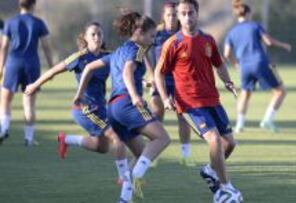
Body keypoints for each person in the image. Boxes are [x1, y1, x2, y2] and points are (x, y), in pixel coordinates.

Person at [73, 12, 171, 202]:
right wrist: (135, 96)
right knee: (162, 138)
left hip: (112, 109)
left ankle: (124, 198)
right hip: (127, 103)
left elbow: (89, 68)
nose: (152, 41)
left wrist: (78, 95)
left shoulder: (117, 51)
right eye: (151, 36)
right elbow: (127, 71)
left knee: (141, 152)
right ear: (140, 32)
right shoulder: (139, 49)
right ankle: (134, 176)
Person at [154, 0, 242, 198]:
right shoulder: (172, 43)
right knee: (215, 141)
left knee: (229, 144)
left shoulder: (208, 40)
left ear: (197, 13)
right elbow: (159, 74)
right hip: (189, 105)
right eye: (183, 13)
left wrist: (228, 82)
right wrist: (166, 98)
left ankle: (210, 171)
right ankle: (225, 187)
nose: (187, 17)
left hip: (212, 101)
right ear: (178, 16)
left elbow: (219, 64)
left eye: (190, 13)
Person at [25, 22, 128, 184]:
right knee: (117, 138)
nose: (96, 37)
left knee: (102, 147)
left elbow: (127, 72)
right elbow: (53, 71)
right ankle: (124, 177)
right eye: (93, 34)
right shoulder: (79, 57)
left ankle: (67, 140)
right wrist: (34, 85)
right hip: (84, 109)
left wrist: (144, 82)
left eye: (99, 34)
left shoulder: (109, 56)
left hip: (100, 108)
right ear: (85, 38)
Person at [224, 1, 292, 133]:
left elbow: (227, 53)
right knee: (280, 91)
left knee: (245, 94)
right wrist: (284, 45)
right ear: (248, 13)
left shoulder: (232, 32)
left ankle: (239, 125)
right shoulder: (255, 26)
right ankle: (267, 120)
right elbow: (268, 41)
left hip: (244, 67)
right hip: (260, 63)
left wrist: (235, 64)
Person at [0, 0, 54, 145]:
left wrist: (0, 67)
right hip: (31, 64)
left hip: (13, 63)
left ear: (20, 4)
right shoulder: (38, 22)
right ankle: (29, 139)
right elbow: (46, 47)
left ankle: (4, 129)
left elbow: (4, 47)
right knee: (29, 104)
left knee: (5, 100)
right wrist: (51, 68)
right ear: (33, 5)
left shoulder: (10, 22)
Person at [149, 1, 194, 166]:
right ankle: (154, 154)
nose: (172, 18)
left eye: (174, 15)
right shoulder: (156, 34)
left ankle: (186, 155)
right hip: (160, 80)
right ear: (163, 16)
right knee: (156, 115)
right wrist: (150, 73)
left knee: (183, 117)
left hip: (180, 81)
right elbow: (143, 51)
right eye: (168, 15)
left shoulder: (185, 33)